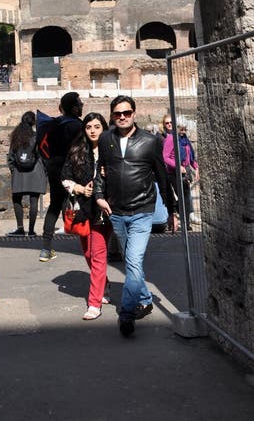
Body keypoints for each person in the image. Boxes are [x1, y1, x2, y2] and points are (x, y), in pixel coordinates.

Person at [95, 95, 169, 337]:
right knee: (131, 261)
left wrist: (173, 210)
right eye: (117, 114)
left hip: (142, 211)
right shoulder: (106, 139)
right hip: (116, 211)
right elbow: (101, 170)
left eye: (126, 112)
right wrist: (98, 194)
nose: (122, 117)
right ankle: (146, 298)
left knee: (134, 261)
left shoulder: (150, 140)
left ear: (134, 113)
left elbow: (161, 175)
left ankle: (127, 314)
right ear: (113, 116)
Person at [61, 112, 112, 319]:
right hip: (82, 211)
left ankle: (94, 303)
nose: (92, 130)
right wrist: (80, 189)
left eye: (97, 126)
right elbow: (64, 177)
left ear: (104, 128)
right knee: (89, 254)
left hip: (103, 211)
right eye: (89, 126)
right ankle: (104, 284)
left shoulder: (112, 150)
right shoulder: (76, 150)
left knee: (98, 255)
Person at [36, 91, 84, 261]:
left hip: (54, 169)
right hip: (74, 171)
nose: (82, 106)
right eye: (80, 104)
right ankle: (95, 246)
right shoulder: (77, 126)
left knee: (54, 206)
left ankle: (46, 248)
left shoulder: (53, 124)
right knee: (87, 205)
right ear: (74, 108)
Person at [6, 110, 47, 236]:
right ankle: (31, 230)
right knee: (34, 200)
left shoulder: (16, 137)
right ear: (33, 122)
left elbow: (11, 156)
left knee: (16, 198)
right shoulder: (37, 136)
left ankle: (20, 228)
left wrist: (14, 170)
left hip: (19, 172)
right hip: (35, 171)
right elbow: (43, 155)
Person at [163, 122, 199, 228]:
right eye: (181, 129)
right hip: (173, 172)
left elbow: (190, 156)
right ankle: (178, 217)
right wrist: (177, 166)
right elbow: (165, 157)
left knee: (186, 198)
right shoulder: (171, 139)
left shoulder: (184, 139)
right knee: (183, 197)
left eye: (185, 129)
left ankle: (185, 224)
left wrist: (196, 167)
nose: (183, 132)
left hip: (185, 171)